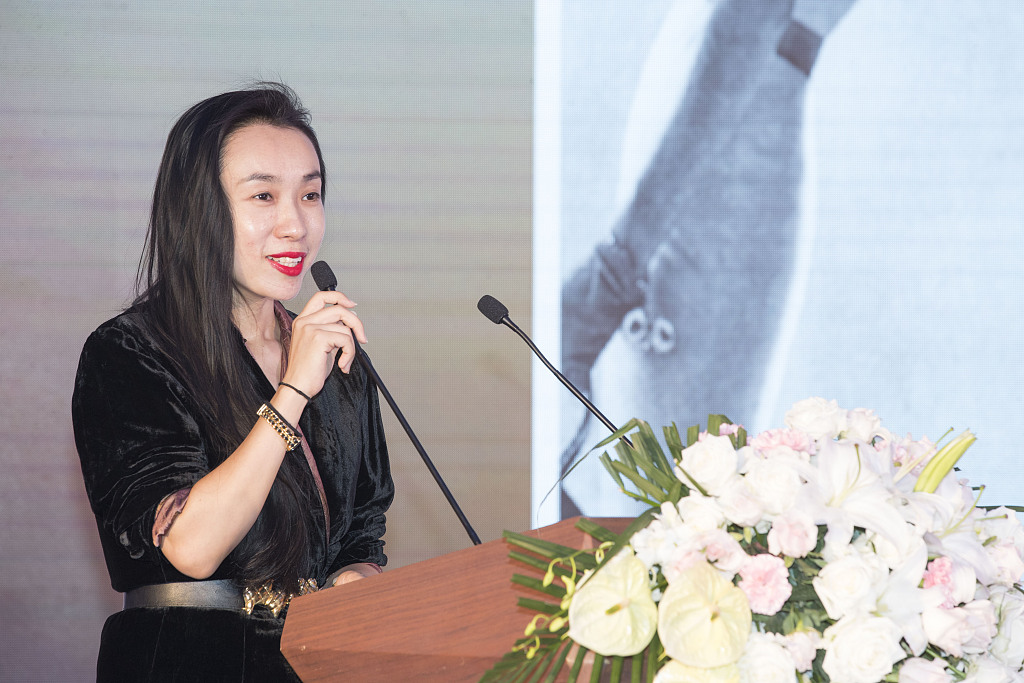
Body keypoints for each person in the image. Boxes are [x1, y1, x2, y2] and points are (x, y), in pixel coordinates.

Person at [72, 83, 394, 681]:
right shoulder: (130, 353)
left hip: (310, 664)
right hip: (187, 661)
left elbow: (363, 534)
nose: (295, 225)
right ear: (199, 210)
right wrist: (292, 391)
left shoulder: (336, 359)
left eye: (310, 194)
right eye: (264, 196)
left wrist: (356, 579)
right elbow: (191, 548)